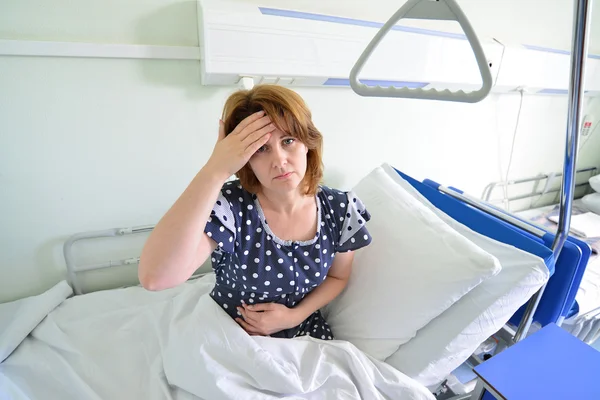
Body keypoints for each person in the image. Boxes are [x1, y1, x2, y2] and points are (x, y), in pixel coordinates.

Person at [138, 84, 372, 340]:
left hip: (304, 333)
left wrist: (294, 316)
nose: (279, 160)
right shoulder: (231, 207)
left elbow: (338, 276)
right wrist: (215, 169)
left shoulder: (340, 209)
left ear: (307, 142)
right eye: (261, 149)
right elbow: (156, 278)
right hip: (230, 335)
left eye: (288, 141)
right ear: (246, 159)